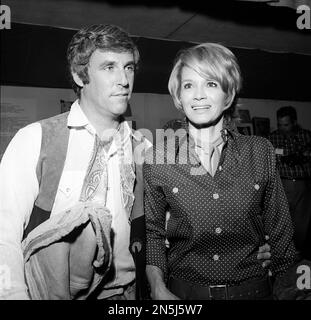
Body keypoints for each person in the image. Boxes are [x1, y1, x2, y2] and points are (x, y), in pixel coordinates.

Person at [0, 24, 150, 300]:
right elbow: (3, 234)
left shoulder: (143, 148)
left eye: (128, 67)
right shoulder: (35, 140)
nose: (124, 80)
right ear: (79, 75)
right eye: (109, 67)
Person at [144, 43, 296, 300]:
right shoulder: (159, 159)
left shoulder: (259, 152)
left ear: (228, 95)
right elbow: (153, 234)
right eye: (189, 85)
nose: (198, 95)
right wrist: (158, 288)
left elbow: (282, 237)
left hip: (253, 291)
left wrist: (286, 280)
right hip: (184, 294)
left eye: (211, 84)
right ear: (178, 96)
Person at [268, 106, 311, 259]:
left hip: (302, 184)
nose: (282, 128)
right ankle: (282, 252)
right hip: (282, 183)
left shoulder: (306, 136)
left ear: (294, 122)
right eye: (280, 124)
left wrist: (303, 155)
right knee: (282, 219)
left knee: (301, 221)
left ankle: (297, 251)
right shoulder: (273, 137)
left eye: (286, 125)